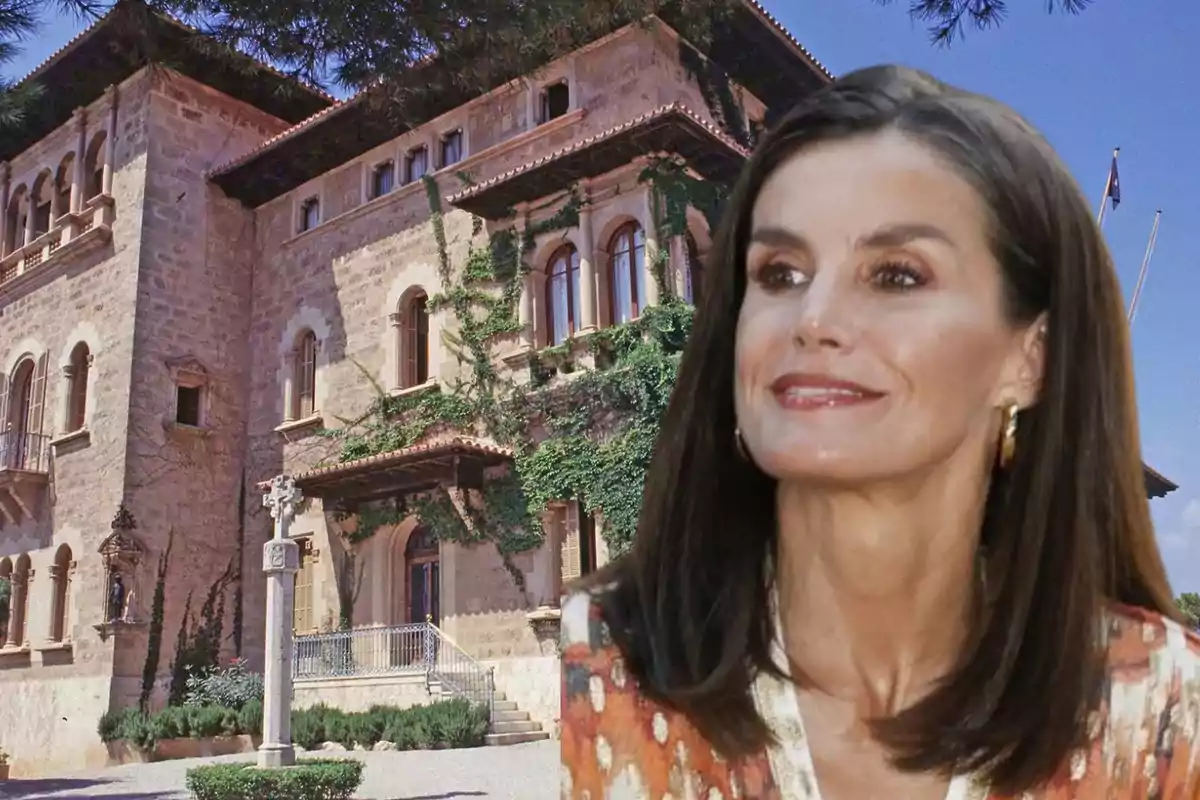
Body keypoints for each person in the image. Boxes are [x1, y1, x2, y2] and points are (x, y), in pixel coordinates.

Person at [560, 65, 1200, 799]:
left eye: (897, 274)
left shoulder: (1162, 713)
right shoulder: (616, 673)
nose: (814, 319)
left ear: (1030, 358)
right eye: (780, 272)